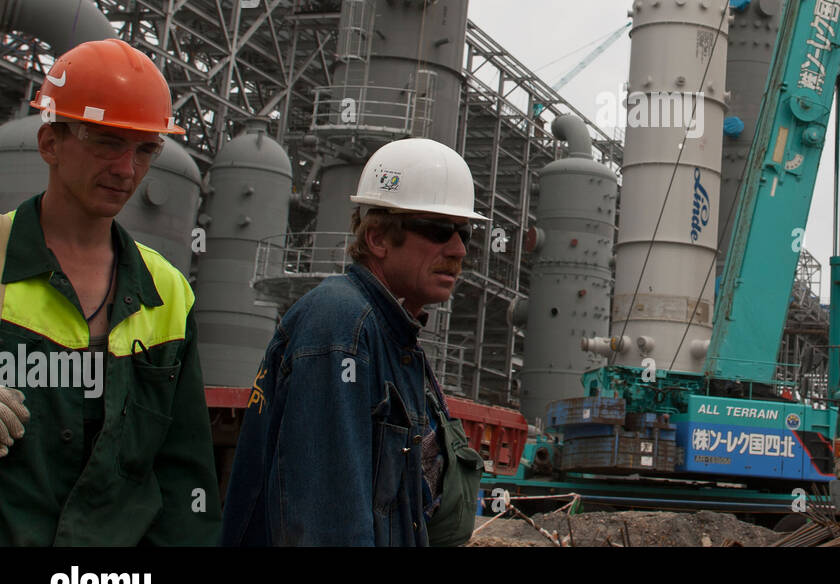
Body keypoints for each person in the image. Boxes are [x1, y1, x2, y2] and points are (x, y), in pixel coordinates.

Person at [0, 37, 221, 545]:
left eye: (145, 149)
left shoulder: (166, 290)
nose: (127, 170)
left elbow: (183, 474)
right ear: (50, 143)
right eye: (106, 142)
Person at [221, 138, 487, 546]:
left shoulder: (390, 336)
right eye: (437, 230)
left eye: (463, 233)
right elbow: (328, 526)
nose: (458, 249)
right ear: (378, 238)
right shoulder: (340, 325)